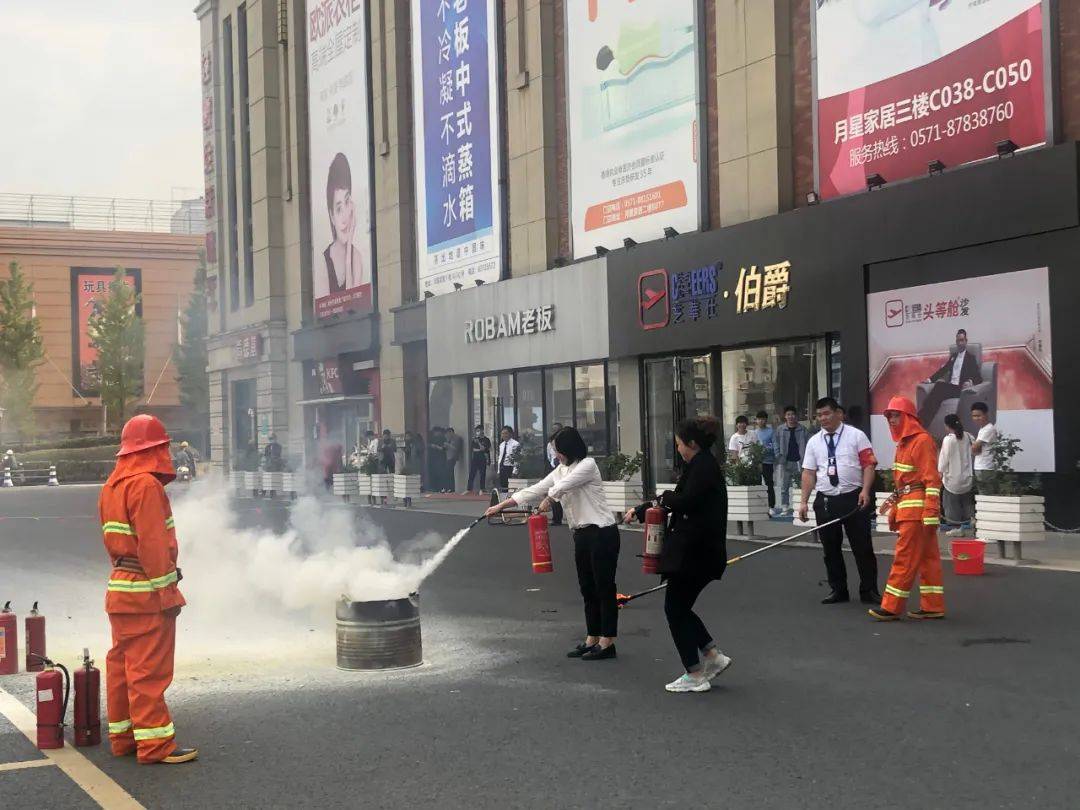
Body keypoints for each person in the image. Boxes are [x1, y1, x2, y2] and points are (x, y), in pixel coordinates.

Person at [100, 414, 197, 764]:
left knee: (123, 664)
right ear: (157, 449)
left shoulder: (113, 485)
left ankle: (124, 737)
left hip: (120, 589)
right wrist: (168, 594)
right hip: (145, 592)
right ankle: (156, 745)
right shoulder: (145, 486)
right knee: (148, 671)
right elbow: (154, 546)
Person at [487, 427, 619, 661]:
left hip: (602, 532)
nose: (556, 454)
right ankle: (592, 638)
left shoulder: (587, 466)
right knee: (587, 588)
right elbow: (536, 489)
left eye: (558, 450)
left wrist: (549, 499)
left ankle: (608, 642)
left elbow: (560, 488)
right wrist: (501, 506)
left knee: (604, 587)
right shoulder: (560, 470)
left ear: (569, 448)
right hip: (581, 534)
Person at [626, 416, 732, 693]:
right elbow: (677, 498)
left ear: (692, 443)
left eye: (679, 444)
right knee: (679, 607)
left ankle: (695, 673)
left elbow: (683, 500)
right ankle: (711, 656)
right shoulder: (700, 465)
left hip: (696, 552)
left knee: (675, 608)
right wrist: (644, 508)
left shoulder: (703, 468)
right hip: (698, 552)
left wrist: (662, 497)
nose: (678, 449)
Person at [870, 396, 946, 621]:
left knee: (904, 558)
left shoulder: (921, 441)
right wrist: (897, 509)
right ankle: (933, 606)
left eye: (895, 415)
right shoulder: (905, 443)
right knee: (927, 559)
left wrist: (931, 511)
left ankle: (891, 607)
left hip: (917, 512)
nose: (891, 420)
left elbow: (932, 480)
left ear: (908, 417)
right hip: (912, 509)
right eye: (889, 416)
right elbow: (904, 485)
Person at [799, 397, 880, 605]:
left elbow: (869, 465)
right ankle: (838, 589)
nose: (822, 418)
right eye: (819, 415)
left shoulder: (856, 436)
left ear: (838, 413)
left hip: (853, 497)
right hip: (826, 500)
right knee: (830, 548)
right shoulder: (814, 441)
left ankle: (869, 590)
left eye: (826, 413)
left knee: (862, 547)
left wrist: (865, 490)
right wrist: (803, 501)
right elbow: (809, 473)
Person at [317, 152, 367, 300]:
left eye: (347, 202)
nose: (345, 215)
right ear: (331, 216)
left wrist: (349, 247)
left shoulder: (356, 257)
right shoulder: (323, 260)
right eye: (339, 209)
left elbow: (353, 305)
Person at [917, 328, 983, 426]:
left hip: (960, 389)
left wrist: (970, 382)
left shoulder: (970, 358)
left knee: (939, 387)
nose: (960, 343)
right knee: (937, 395)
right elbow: (943, 370)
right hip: (951, 387)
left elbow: (978, 377)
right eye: (958, 341)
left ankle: (922, 418)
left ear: (966, 341)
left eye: (962, 340)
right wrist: (930, 379)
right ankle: (925, 421)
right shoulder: (954, 356)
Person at [939, 413, 975, 536]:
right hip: (967, 478)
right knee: (967, 503)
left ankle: (957, 528)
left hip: (952, 479)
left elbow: (944, 460)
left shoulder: (948, 440)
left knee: (950, 504)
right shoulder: (969, 437)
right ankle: (973, 521)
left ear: (946, 426)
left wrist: (940, 471)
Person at [775, 406, 808, 516]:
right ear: (785, 416)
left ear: (796, 416)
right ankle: (785, 507)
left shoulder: (802, 429)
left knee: (802, 484)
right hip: (785, 461)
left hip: (800, 461)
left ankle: (801, 506)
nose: (791, 417)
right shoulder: (780, 429)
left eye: (793, 414)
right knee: (784, 486)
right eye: (788, 414)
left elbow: (808, 444)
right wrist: (778, 456)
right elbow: (776, 444)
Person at [753, 411, 776, 511]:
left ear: (766, 420)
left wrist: (766, 448)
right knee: (757, 484)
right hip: (757, 462)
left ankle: (771, 506)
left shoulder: (771, 431)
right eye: (759, 419)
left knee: (769, 484)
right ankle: (759, 506)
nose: (761, 421)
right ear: (756, 420)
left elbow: (774, 445)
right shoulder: (754, 432)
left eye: (763, 419)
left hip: (768, 461)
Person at [970, 401, 997, 488]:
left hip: (985, 467)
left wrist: (974, 448)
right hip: (981, 467)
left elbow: (975, 448)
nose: (976, 418)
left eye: (978, 415)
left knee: (985, 496)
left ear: (986, 414)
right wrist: (975, 448)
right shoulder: (982, 429)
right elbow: (975, 449)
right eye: (974, 416)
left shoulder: (988, 429)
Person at [546, 423, 565, 525]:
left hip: (564, 469)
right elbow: (549, 457)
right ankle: (556, 518)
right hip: (554, 469)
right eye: (553, 430)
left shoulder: (565, 443)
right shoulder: (550, 444)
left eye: (557, 430)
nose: (555, 432)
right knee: (554, 493)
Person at [467, 426, 491, 493]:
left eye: (479, 430)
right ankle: (469, 489)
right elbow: (473, 449)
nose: (478, 432)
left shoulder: (486, 440)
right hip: (475, 459)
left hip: (483, 459)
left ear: (482, 430)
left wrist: (479, 443)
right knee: (472, 474)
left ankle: (482, 489)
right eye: (476, 431)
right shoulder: (474, 439)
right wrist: (480, 449)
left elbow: (484, 449)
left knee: (482, 474)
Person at [496, 426, 520, 492]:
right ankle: (504, 500)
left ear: (510, 434)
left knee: (511, 488)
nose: (504, 435)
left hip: (510, 468)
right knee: (503, 488)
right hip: (502, 467)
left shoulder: (515, 444)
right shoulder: (501, 445)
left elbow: (517, 459)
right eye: (502, 433)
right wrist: (498, 470)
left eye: (506, 433)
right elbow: (500, 457)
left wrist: (515, 471)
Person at [427, 428, 447, 492]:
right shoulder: (431, 439)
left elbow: (444, 448)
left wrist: (436, 447)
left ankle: (440, 487)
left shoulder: (443, 438)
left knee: (440, 474)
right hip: (433, 459)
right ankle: (434, 487)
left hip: (440, 459)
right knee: (434, 474)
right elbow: (428, 445)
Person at [445, 427, 463, 493]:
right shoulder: (449, 439)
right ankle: (448, 487)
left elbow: (456, 449)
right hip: (448, 457)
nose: (447, 435)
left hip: (453, 457)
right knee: (448, 473)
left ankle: (451, 488)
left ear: (451, 432)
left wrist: (448, 445)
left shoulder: (457, 438)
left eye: (448, 433)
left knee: (450, 473)